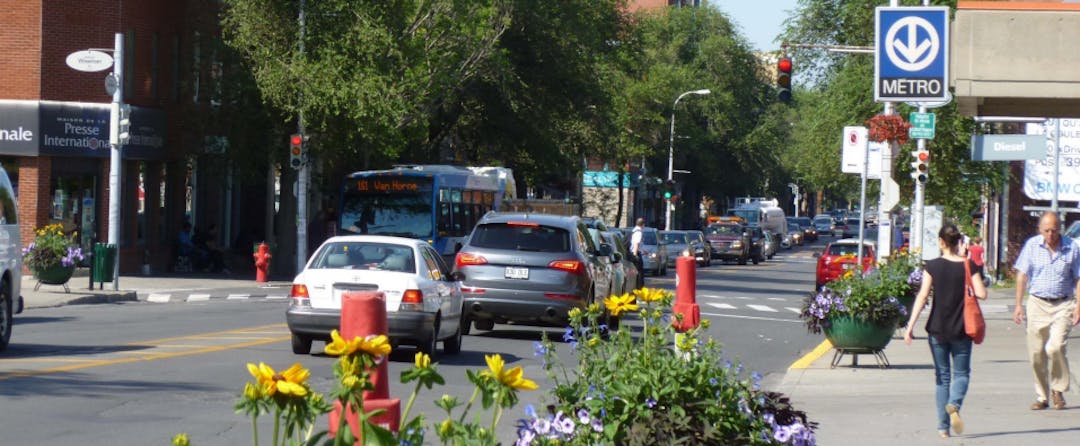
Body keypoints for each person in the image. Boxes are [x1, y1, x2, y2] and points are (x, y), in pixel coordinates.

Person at [904, 223, 987, 439]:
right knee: (962, 374)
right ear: (959, 242)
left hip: (937, 329)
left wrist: (910, 326)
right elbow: (982, 293)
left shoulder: (933, 266)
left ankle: (943, 428)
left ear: (941, 242)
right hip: (962, 329)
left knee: (942, 378)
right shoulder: (969, 265)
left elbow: (923, 296)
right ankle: (954, 404)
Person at [1013, 211, 1080, 411]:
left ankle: (1058, 389)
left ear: (1060, 229)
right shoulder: (1032, 246)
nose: (1051, 234)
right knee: (1036, 352)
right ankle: (1042, 396)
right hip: (1037, 303)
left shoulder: (1071, 247)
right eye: (1047, 230)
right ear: (1040, 229)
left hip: (1063, 303)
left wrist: (1078, 305)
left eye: (1054, 230)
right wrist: (1018, 305)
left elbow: (1078, 277)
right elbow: (1022, 275)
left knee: (1055, 347)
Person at [629, 218, 645, 287]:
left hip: (634, 253)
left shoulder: (634, 230)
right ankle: (639, 287)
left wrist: (644, 251)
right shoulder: (638, 232)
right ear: (643, 224)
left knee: (636, 271)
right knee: (639, 272)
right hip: (635, 254)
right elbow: (636, 244)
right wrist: (635, 255)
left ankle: (636, 286)